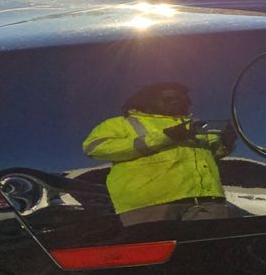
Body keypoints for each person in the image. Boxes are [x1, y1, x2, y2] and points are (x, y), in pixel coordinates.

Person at [81, 82, 236, 223]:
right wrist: (165, 137)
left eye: (181, 98)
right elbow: (94, 147)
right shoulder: (121, 123)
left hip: (207, 203)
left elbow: (209, 156)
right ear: (147, 100)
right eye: (167, 98)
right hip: (149, 206)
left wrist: (225, 143)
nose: (175, 100)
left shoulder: (196, 126)